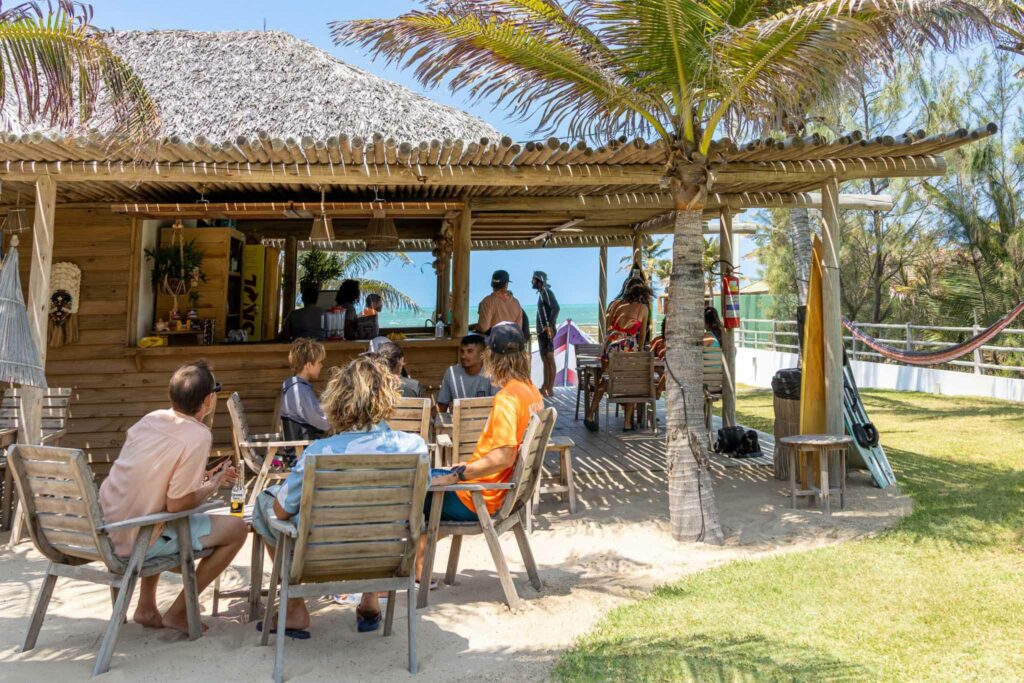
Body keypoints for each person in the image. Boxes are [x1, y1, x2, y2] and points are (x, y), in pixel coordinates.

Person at [252, 356, 427, 635]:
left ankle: (295, 606)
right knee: (376, 518)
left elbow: (282, 512)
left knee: (265, 504)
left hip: (320, 560)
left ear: (337, 399)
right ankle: (370, 598)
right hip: (384, 556)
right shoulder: (415, 449)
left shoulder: (320, 453)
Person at [98, 361, 246, 633]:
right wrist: (212, 486)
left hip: (107, 527)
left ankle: (146, 606)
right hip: (136, 540)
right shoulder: (198, 436)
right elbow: (177, 503)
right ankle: (178, 612)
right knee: (237, 528)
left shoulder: (150, 420)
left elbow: (153, 480)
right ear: (209, 400)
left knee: (157, 513)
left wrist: (203, 478)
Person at [416, 323, 542, 582]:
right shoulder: (530, 390)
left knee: (411, 489)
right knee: (430, 479)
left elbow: (505, 456)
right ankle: (418, 557)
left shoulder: (508, 398)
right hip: (501, 490)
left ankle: (402, 568)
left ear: (491, 357)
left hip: (479, 495)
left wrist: (461, 474)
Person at [584, 276, 653, 432]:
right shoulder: (643, 309)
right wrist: (640, 350)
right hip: (627, 346)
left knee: (605, 379)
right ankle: (627, 422)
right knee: (632, 383)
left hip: (611, 344)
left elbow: (609, 327)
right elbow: (642, 334)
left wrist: (611, 342)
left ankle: (589, 415)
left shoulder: (615, 305)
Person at [279, 338, 330, 442]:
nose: (321, 366)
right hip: (303, 452)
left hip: (302, 447)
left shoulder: (294, 386)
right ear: (308, 365)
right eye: (319, 362)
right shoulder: (299, 391)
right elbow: (321, 422)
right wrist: (338, 422)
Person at [436, 334, 497, 412]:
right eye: (462, 351)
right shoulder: (451, 372)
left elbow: (498, 407)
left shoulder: (492, 373)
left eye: (469, 351)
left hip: (485, 423)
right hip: (457, 422)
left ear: (482, 355)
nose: (463, 356)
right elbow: (442, 406)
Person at [532, 271, 560, 397]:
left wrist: (549, 325)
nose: (532, 282)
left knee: (549, 358)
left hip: (546, 331)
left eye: (534, 280)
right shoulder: (543, 293)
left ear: (539, 280)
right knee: (545, 359)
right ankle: (545, 386)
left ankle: (550, 388)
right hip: (542, 331)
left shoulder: (547, 292)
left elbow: (556, 307)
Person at [474, 269, 524, 335]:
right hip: (512, 342)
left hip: (494, 342)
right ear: (506, 284)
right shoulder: (516, 302)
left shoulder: (487, 301)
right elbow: (518, 328)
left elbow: (484, 328)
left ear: (492, 284)